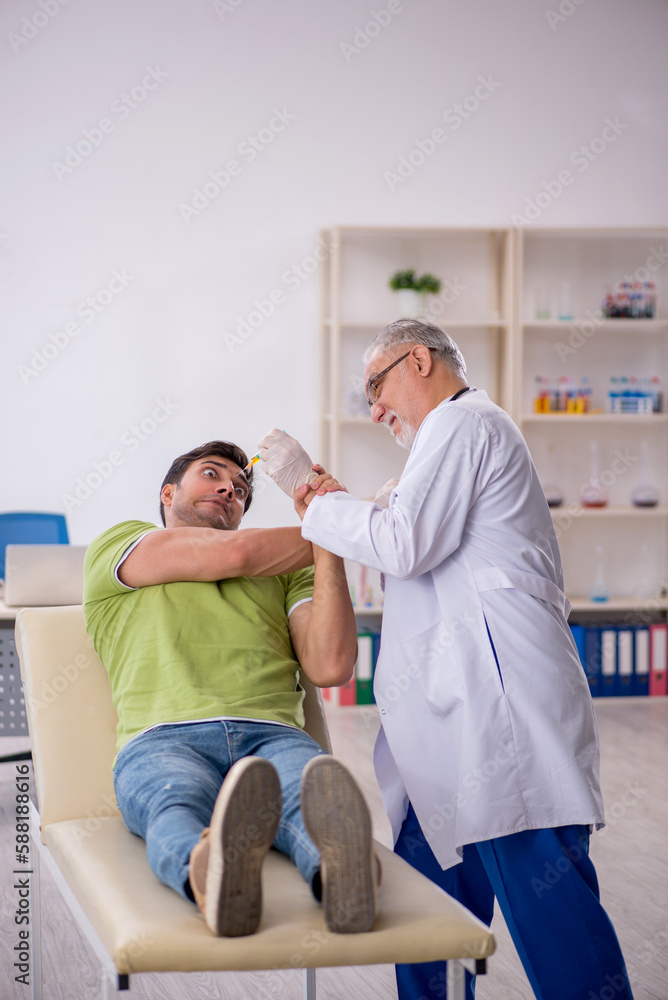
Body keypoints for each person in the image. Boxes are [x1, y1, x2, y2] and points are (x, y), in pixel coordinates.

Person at [258, 319, 634, 999]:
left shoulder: (466, 426)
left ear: (420, 359)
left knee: (553, 920)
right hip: (453, 737)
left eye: (375, 386)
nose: (373, 411)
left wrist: (319, 503)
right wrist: (323, 496)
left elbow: (405, 543)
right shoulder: (439, 449)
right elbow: (394, 528)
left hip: (503, 727)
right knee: (426, 922)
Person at [83, 439, 379, 938]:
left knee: (312, 812)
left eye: (241, 490)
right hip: (162, 736)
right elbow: (240, 552)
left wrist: (333, 536)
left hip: (274, 736)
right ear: (168, 491)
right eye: (212, 474)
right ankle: (208, 874)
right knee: (172, 805)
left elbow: (331, 665)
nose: (229, 488)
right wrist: (357, 524)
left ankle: (343, 874)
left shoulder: (286, 572)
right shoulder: (120, 543)